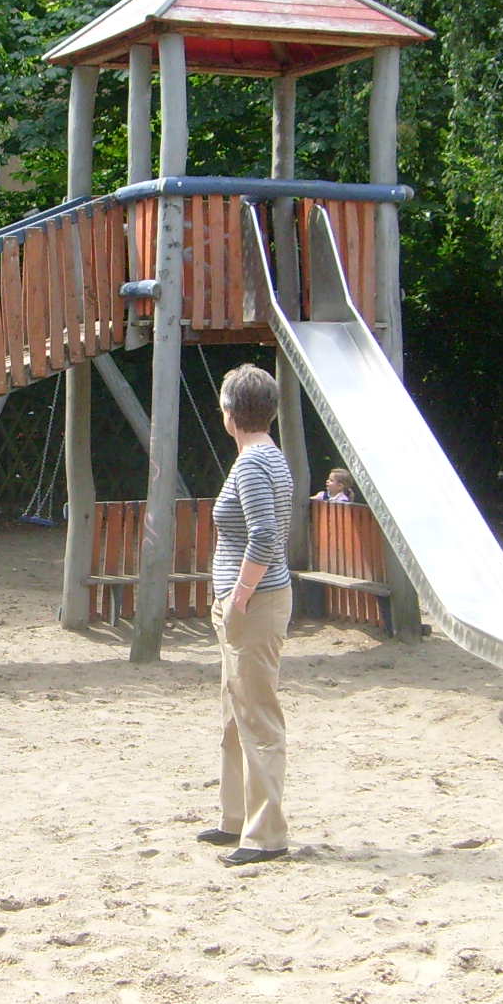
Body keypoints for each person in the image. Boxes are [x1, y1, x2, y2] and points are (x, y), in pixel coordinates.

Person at [196, 363, 296, 867]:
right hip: (249, 603)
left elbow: (263, 535)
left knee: (257, 717)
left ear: (230, 412)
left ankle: (267, 835)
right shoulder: (266, 457)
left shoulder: (255, 464)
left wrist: (238, 596)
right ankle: (235, 817)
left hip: (253, 605)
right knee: (234, 715)